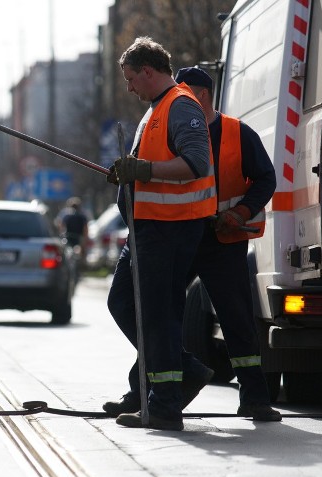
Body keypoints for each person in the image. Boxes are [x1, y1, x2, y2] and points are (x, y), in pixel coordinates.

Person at [103, 67, 282, 423]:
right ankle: (153, 387)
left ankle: (255, 398)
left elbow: (265, 178)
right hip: (175, 233)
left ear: (199, 95)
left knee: (235, 318)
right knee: (150, 312)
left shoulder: (235, 133)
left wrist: (240, 212)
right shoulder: (163, 118)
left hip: (219, 239)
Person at [104, 37, 218, 431]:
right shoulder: (156, 109)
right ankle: (179, 373)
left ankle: (165, 403)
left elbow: (196, 164)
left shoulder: (181, 106)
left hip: (169, 231)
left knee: (158, 316)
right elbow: (148, 167)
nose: (129, 87)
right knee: (125, 303)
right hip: (148, 230)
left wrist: (143, 171)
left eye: (131, 78)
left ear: (148, 72)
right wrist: (128, 175)